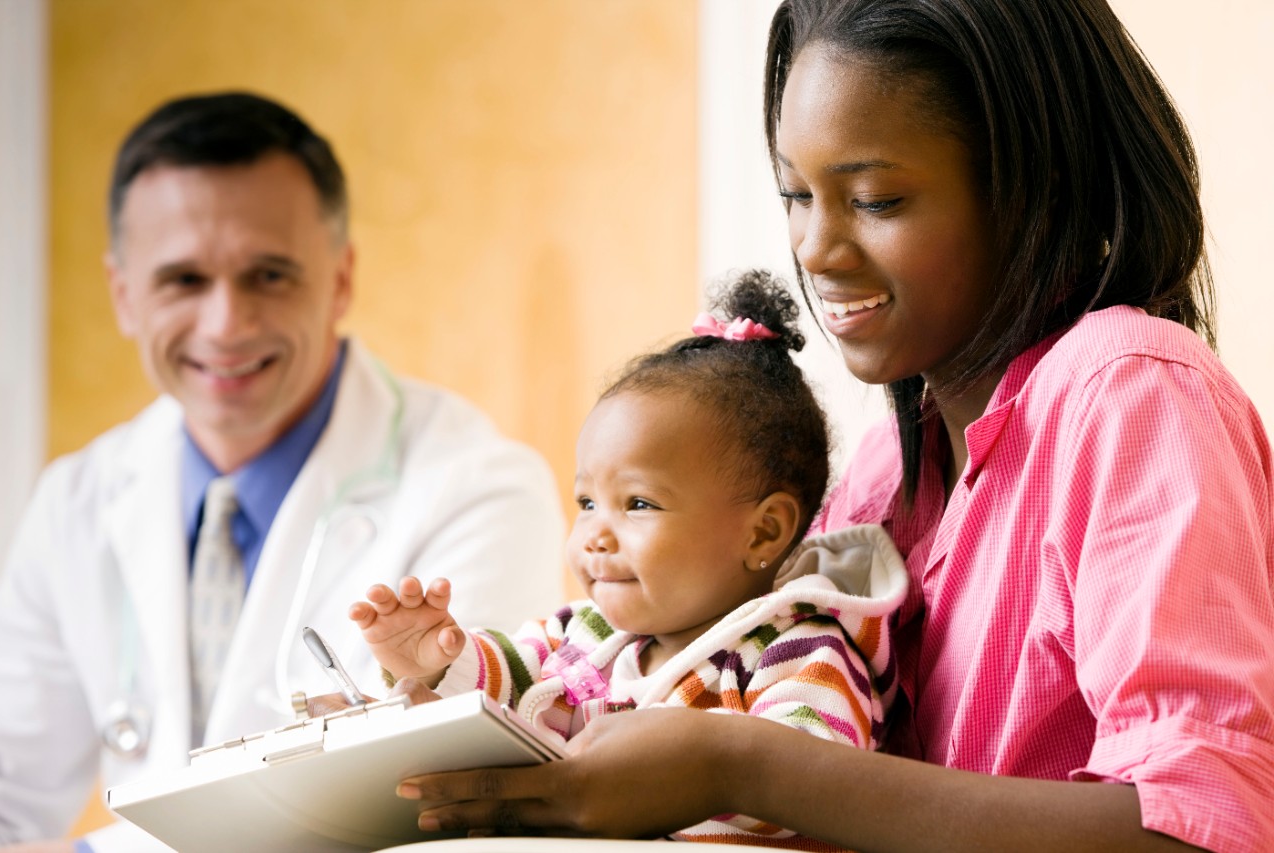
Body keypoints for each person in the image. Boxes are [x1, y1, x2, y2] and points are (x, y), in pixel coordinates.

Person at [389, 1, 1274, 850]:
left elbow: (1206, 824)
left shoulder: (1133, 396)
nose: (813, 248)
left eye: (877, 199)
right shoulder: (889, 469)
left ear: (1034, 187)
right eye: (795, 194)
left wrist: (743, 767)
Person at [0, 91, 565, 853]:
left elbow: (413, 813)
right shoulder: (75, 501)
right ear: (124, 295)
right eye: (183, 280)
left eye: (268, 275)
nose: (226, 324)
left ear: (340, 279)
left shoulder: (483, 492)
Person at [351, 270, 908, 848]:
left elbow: (808, 784)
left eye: (637, 504)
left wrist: (693, 768)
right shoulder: (585, 634)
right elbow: (507, 679)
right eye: (587, 502)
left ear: (764, 533)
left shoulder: (798, 651)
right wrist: (438, 661)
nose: (594, 533)